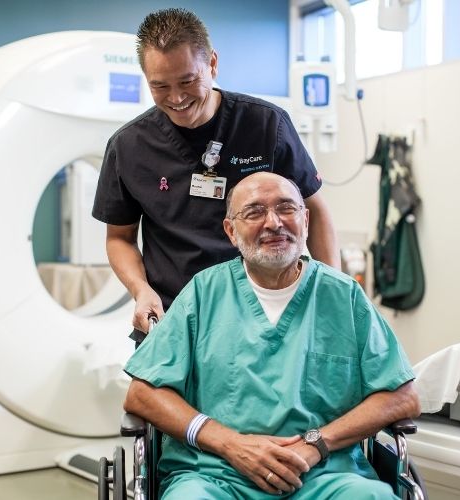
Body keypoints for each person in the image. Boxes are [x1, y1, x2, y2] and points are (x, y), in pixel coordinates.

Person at [123, 172, 421, 499]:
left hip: (324, 476)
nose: (274, 223)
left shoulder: (343, 296)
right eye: (254, 212)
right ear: (230, 231)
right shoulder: (204, 293)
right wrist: (230, 443)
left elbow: (402, 396)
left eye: (286, 208)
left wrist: (318, 443)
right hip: (215, 475)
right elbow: (143, 394)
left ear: (305, 220)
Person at [92, 8, 339, 334]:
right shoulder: (128, 146)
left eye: (188, 80)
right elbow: (119, 238)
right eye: (160, 86)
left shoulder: (265, 125)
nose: (177, 98)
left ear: (212, 63)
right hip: (172, 315)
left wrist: (335, 292)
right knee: (145, 388)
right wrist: (140, 289)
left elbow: (314, 210)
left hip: (265, 314)